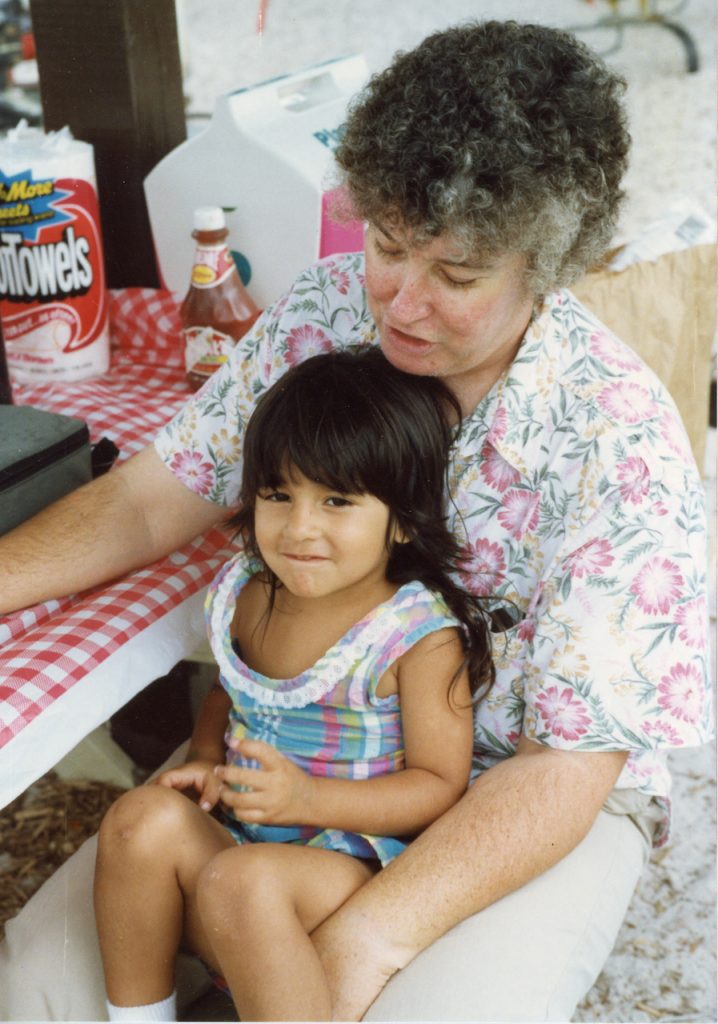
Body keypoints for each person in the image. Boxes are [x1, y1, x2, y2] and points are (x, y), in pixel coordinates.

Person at [0, 18, 711, 1023]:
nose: (401, 304)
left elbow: (567, 766)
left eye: (456, 275)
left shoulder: (621, 442)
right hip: (307, 740)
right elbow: (154, 492)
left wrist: (362, 942)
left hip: (523, 787)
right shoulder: (326, 310)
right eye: (387, 246)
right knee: (36, 985)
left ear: (548, 269)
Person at [93, 348, 493, 1022]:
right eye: (279, 494)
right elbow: (233, 690)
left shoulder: (413, 638)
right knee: (136, 821)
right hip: (242, 847)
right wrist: (202, 759)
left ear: (399, 518)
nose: (299, 527)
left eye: (337, 500)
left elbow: (437, 787)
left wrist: (308, 796)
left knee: (240, 884)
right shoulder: (252, 593)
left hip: (346, 866)